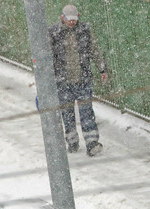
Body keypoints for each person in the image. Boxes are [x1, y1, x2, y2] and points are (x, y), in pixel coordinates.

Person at [49, 5, 108, 156]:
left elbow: (94, 50)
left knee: (86, 112)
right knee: (67, 113)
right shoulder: (54, 33)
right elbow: (48, 56)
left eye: (74, 19)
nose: (72, 23)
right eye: (69, 20)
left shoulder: (85, 31)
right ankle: (72, 141)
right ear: (62, 17)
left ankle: (92, 143)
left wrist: (102, 68)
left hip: (83, 79)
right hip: (63, 81)